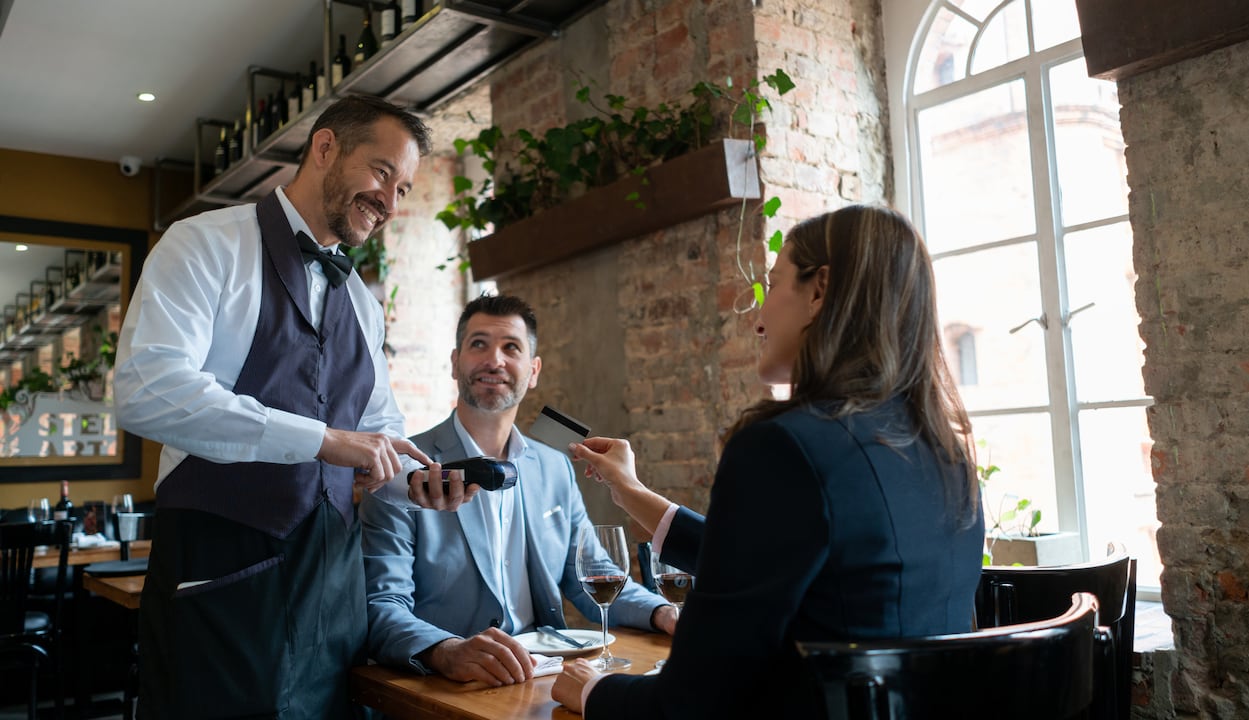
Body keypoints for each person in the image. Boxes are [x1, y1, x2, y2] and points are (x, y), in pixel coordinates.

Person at [114, 95, 476, 719]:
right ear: (325, 147)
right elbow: (146, 389)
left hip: (333, 594)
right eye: (382, 173)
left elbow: (375, 431)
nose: (391, 202)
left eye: (405, 187)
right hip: (221, 583)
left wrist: (410, 480)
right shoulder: (204, 244)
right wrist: (321, 439)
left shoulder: (361, 302)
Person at [550, 205, 985, 718]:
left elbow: (690, 703)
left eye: (774, 284)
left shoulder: (783, 446)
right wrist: (634, 494)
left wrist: (592, 691)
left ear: (818, 292)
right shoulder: (943, 448)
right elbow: (790, 563)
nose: (758, 320)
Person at [361, 293, 678, 687]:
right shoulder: (403, 470)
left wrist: (662, 613)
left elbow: (593, 577)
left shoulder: (554, 466)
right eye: (479, 345)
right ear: (455, 362)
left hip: (545, 680)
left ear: (533, 370)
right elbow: (381, 605)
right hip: (448, 688)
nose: (494, 360)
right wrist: (445, 651)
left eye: (511, 347)